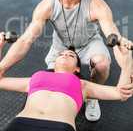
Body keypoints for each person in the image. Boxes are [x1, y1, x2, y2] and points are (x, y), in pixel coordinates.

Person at [0, 0, 132, 121]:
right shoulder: (47, 4)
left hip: (89, 42)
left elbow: (115, 39)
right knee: (50, 79)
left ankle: (92, 98)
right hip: (61, 46)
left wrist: (127, 63)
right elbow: (26, 40)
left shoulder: (96, 4)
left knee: (102, 63)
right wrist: (1, 67)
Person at [0, 33, 133, 131]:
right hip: (21, 124)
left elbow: (121, 93)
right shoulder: (36, 77)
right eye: (61, 54)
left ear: (77, 68)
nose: (65, 55)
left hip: (59, 126)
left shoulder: (82, 84)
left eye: (71, 55)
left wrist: (127, 59)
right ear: (54, 61)